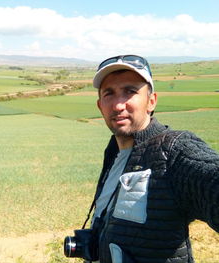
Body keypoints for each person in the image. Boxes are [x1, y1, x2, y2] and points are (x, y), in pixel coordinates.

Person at [65, 55, 219, 263]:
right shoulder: (114, 155)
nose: (118, 105)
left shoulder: (173, 151)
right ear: (100, 105)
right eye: (109, 94)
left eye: (130, 91)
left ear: (151, 101)